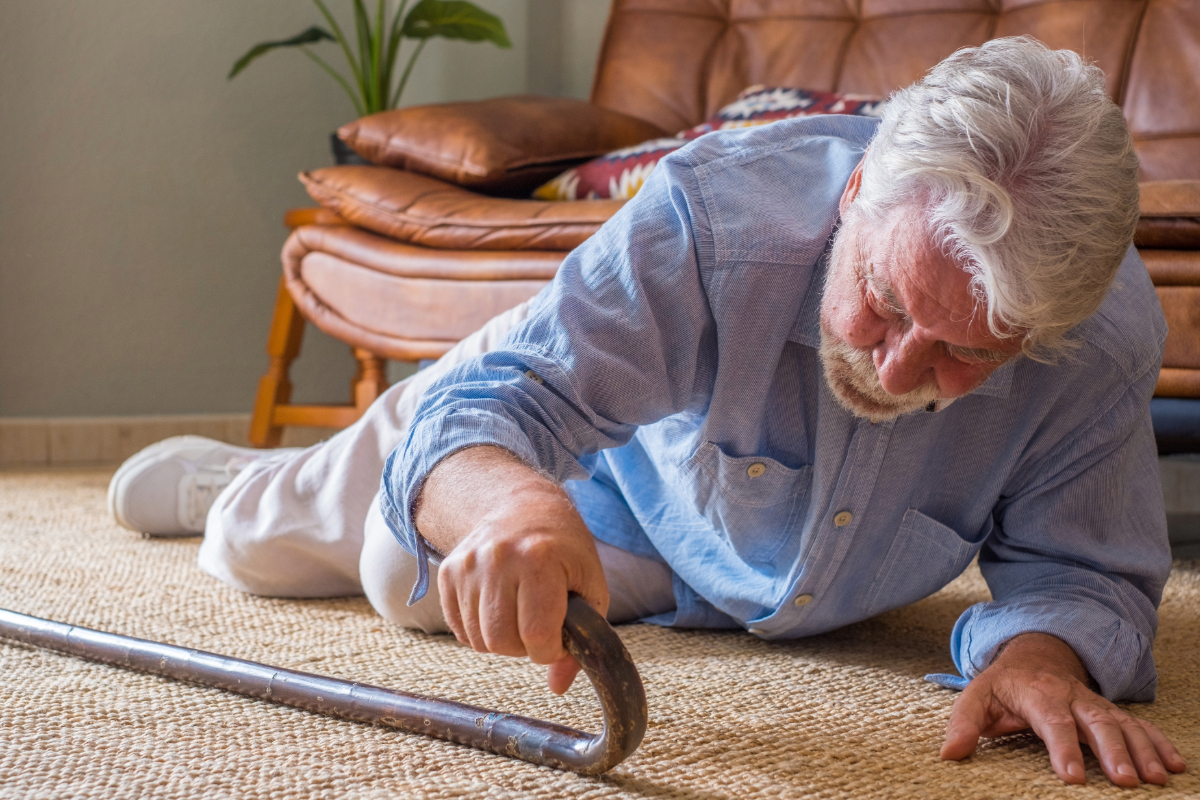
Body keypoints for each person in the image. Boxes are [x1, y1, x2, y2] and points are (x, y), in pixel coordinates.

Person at [108, 37, 1186, 787]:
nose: (901, 366)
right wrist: (514, 503)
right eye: (889, 301)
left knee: (422, 588)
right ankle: (242, 481)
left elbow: (1079, 567)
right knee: (301, 554)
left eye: (964, 352)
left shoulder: (1093, 334)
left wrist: (1042, 653)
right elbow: (507, 405)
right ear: (857, 193)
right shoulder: (715, 215)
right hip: (615, 467)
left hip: (720, 556)